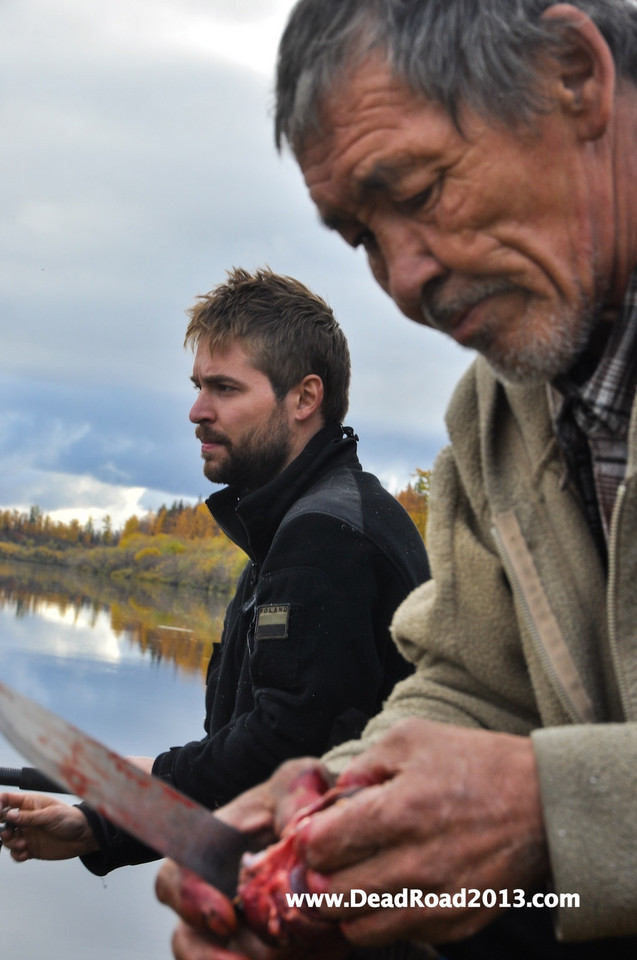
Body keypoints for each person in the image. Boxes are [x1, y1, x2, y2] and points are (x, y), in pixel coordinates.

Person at [153, 1, 637, 958]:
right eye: (363, 239)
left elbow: (541, 797)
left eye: (417, 191)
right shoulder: (494, 411)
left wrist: (558, 808)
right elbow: (466, 681)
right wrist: (322, 828)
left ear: (574, 79)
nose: (406, 280)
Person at [0, 266, 429, 874]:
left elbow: (281, 754)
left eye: (224, 389)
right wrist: (99, 826)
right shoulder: (294, 522)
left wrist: (112, 807)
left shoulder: (325, 536)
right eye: (198, 385)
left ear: (305, 398)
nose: (197, 410)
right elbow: (248, 769)